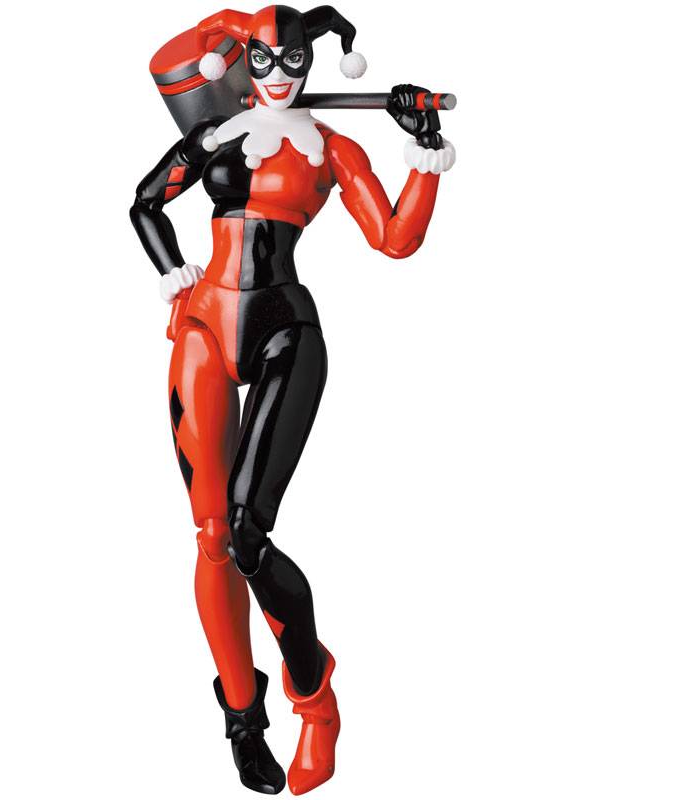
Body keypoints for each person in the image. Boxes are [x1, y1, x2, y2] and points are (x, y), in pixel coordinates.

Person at [130, 5, 455, 795]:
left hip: (284, 329)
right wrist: (171, 271)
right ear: (245, 63)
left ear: (312, 65)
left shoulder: (332, 147)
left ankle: (316, 700)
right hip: (203, 326)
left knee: (248, 533)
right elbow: (144, 200)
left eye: (295, 63)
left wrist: (425, 153)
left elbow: (395, 238)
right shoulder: (215, 132)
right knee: (212, 535)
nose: (280, 78)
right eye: (265, 63)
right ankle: (244, 723)